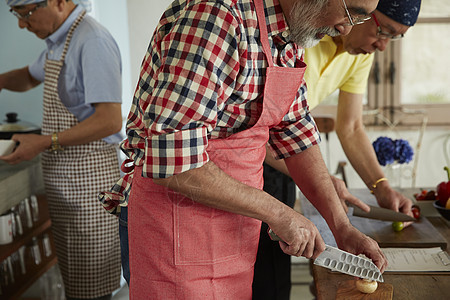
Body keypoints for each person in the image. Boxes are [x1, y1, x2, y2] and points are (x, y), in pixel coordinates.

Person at [99, 0, 387, 298]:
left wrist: (341, 226)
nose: (347, 27)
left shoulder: (291, 33)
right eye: (352, 12)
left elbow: (295, 131)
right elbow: (171, 157)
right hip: (175, 231)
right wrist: (280, 213)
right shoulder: (216, 16)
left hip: (233, 230)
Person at [254, 0, 422, 298]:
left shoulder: (359, 53)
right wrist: (320, 180)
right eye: (382, 30)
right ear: (360, 11)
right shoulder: (304, 33)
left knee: (275, 276)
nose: (382, 46)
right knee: (258, 274)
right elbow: (259, 129)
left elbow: (348, 127)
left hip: (285, 160)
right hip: (253, 158)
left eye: (394, 37)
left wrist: (379, 186)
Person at [0, 1, 123, 299]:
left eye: (26, 14)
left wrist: (43, 141)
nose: (21, 24)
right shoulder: (60, 41)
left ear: (58, 2)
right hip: (68, 183)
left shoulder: (91, 39)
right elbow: (30, 76)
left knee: (93, 288)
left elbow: (109, 120)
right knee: (78, 283)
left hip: (92, 182)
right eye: (16, 15)